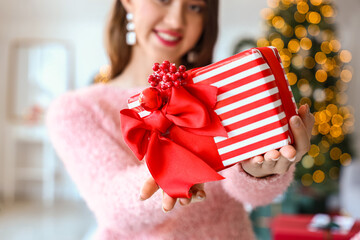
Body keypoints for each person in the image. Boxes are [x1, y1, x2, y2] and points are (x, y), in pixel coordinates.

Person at [46, 0, 315, 239]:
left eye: (195, 7)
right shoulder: (77, 109)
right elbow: (113, 211)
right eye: (163, 0)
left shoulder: (222, 89)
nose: (176, 20)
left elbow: (255, 196)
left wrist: (261, 171)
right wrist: (175, 168)